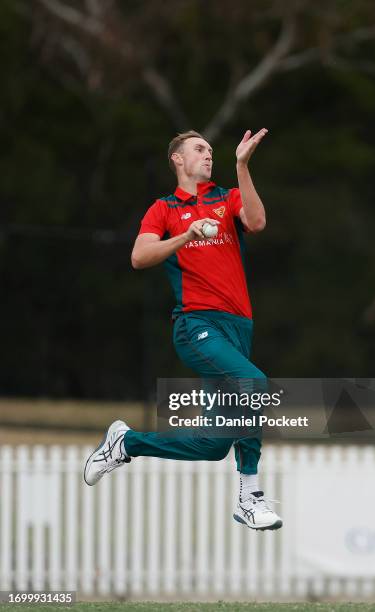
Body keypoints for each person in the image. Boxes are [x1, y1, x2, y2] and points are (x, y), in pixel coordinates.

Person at [84, 129, 282, 531]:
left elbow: (257, 222)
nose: (208, 154)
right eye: (199, 149)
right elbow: (140, 256)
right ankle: (250, 496)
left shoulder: (226, 197)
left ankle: (127, 443)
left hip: (239, 326)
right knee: (254, 383)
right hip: (197, 324)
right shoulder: (165, 209)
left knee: (211, 446)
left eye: (210, 150)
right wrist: (185, 236)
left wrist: (242, 166)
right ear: (177, 159)